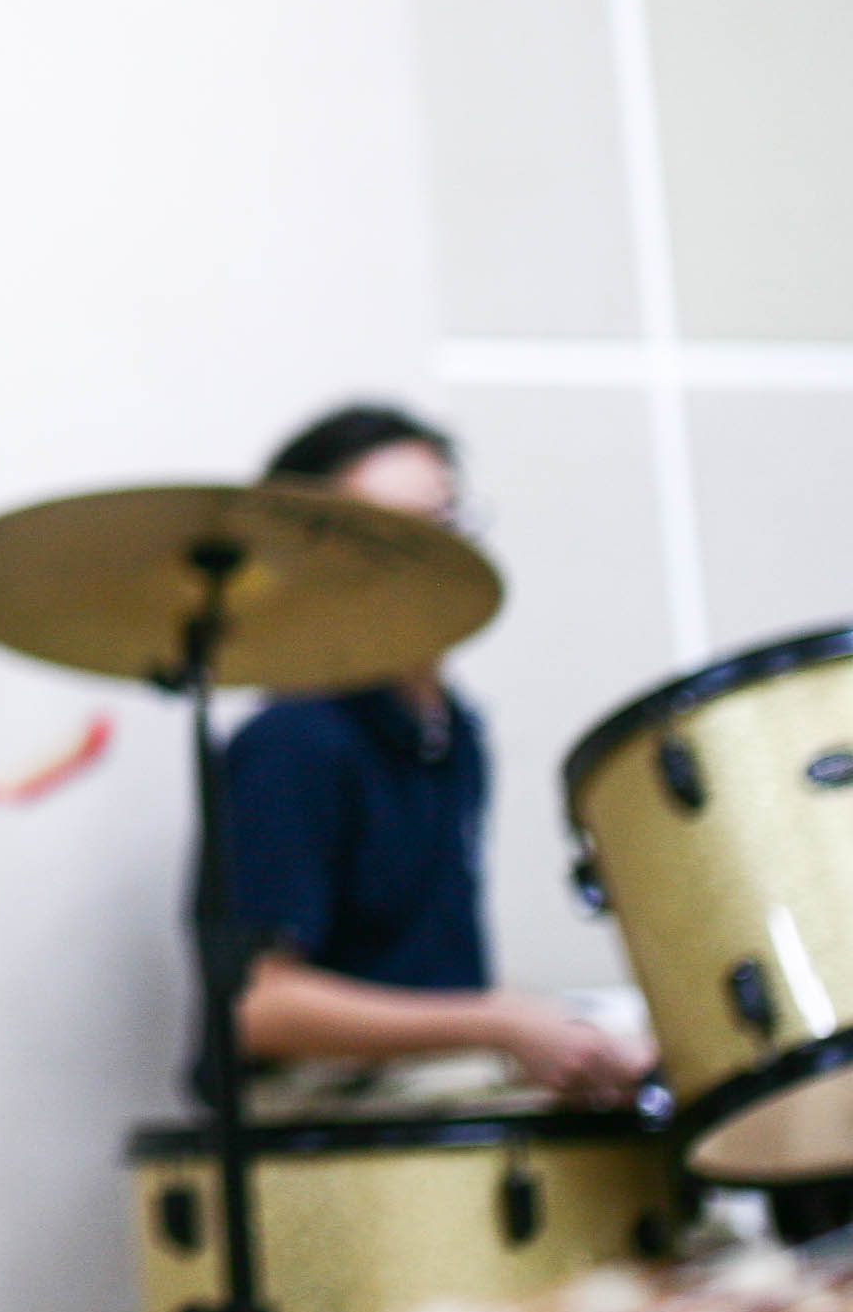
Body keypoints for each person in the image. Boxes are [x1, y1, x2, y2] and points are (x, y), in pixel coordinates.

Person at [213, 403, 646, 1106]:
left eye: (447, 525)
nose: (437, 561)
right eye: (392, 539)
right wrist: (496, 1022)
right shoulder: (294, 742)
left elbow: (430, 981)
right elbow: (256, 1009)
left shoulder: (451, 732)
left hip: (432, 1075)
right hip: (326, 1107)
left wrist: (554, 1029)